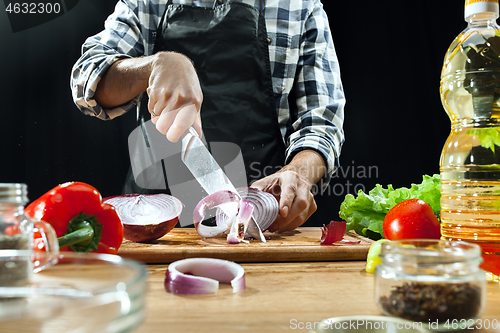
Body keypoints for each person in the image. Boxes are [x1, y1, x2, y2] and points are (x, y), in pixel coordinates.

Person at [70, 0, 345, 233]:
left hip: (260, 225)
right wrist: (156, 65)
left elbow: (321, 124)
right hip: (156, 230)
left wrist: (297, 173)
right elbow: (86, 79)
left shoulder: (300, 7)